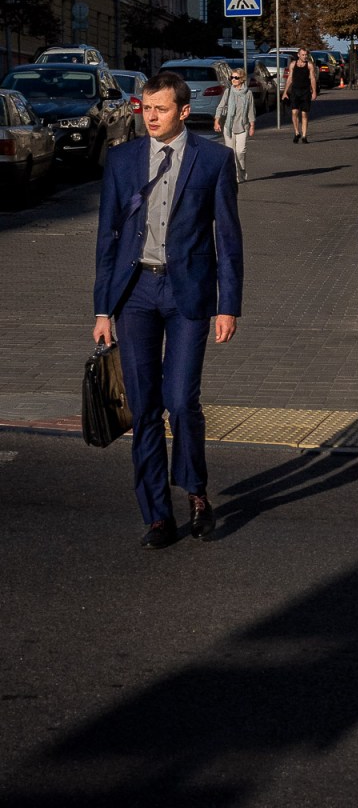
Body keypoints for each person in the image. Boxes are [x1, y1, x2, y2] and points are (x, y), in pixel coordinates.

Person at [93, 70, 243, 548]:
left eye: (160, 109)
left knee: (180, 401)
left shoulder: (214, 160)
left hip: (187, 296)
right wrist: (102, 309)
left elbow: (229, 239)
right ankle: (158, 515)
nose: (150, 116)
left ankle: (195, 491)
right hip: (135, 293)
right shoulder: (121, 161)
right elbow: (107, 240)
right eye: (145, 107)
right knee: (144, 407)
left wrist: (229, 305)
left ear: (183, 111)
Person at [214, 67, 255, 183]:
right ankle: (235, 176)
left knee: (240, 152)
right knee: (231, 153)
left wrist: (252, 125)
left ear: (242, 79)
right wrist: (216, 120)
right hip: (229, 126)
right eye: (232, 77)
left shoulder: (248, 94)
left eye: (236, 77)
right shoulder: (228, 92)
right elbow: (221, 107)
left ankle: (242, 170)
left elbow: (251, 110)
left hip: (243, 126)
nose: (233, 79)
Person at [283, 46, 317, 143]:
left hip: (305, 92)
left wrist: (314, 91)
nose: (305, 56)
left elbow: (313, 79)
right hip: (295, 91)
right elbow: (290, 78)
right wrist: (285, 92)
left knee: (304, 114)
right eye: (303, 55)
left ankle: (304, 136)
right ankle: (297, 132)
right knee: (294, 112)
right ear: (298, 55)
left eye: (306, 55)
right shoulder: (293, 64)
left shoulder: (309, 65)